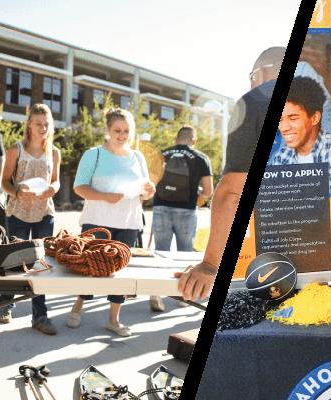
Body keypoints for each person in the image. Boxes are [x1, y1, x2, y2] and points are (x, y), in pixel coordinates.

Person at [173, 46, 284, 303]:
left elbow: (233, 191)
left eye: (251, 76)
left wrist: (211, 266)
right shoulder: (315, 103)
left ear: (262, 72)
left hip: (270, 247)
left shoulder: (255, 101)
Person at [70, 109, 155, 337]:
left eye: (126, 131)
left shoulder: (138, 157)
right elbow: (79, 187)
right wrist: (105, 196)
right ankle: (78, 306)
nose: (122, 135)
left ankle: (113, 319)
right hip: (97, 222)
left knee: (119, 272)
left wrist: (149, 191)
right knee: (89, 267)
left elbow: (144, 194)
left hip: (128, 223)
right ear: (108, 130)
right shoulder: (94, 154)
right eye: (117, 130)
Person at [0, 104, 62, 335]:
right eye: (38, 123)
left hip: (44, 212)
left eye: (46, 124)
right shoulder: (16, 150)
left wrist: (53, 188)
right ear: (29, 124)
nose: (43, 128)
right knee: (14, 260)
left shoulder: (54, 152)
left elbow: (56, 180)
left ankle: (40, 315)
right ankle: (5, 304)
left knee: (40, 264)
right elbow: (4, 182)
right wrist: (16, 192)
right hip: (18, 212)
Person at [154, 126, 213, 254]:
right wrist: (199, 192)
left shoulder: (161, 154)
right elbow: (208, 191)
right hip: (187, 210)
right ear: (194, 141)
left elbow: (150, 182)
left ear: (176, 139)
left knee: (160, 253)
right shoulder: (201, 158)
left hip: (161, 208)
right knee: (185, 254)